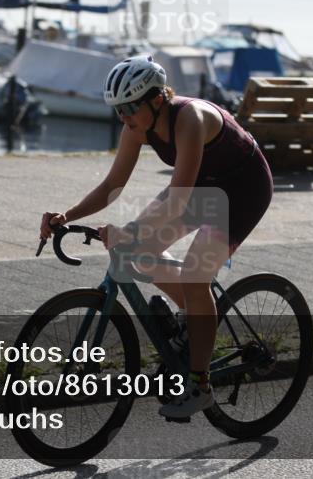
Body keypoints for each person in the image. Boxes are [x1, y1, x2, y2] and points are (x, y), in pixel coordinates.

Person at [39, 55, 274, 418]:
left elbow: (178, 200)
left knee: (195, 278)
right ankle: (190, 320)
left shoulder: (190, 120)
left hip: (243, 189)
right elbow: (111, 186)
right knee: (139, 252)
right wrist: (65, 215)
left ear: (157, 99)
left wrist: (127, 231)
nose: (124, 116)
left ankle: (200, 384)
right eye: (118, 109)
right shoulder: (135, 127)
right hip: (202, 186)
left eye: (130, 107)